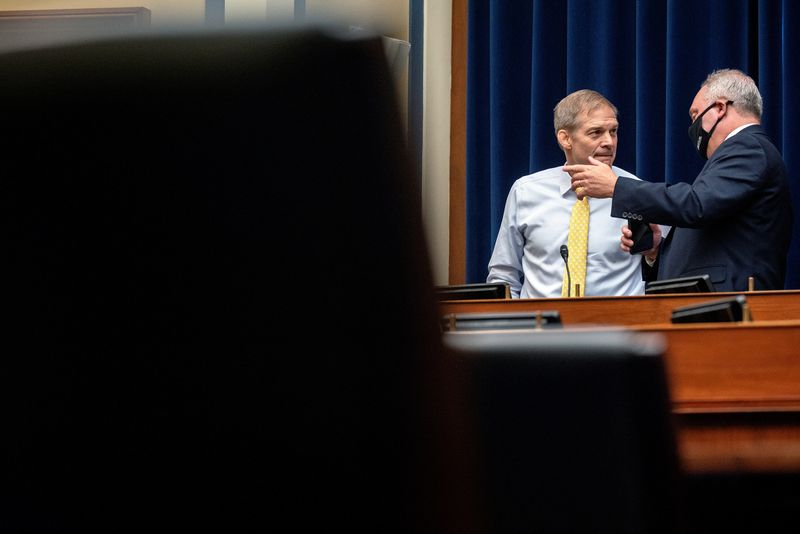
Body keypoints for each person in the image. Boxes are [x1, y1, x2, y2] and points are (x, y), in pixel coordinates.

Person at [565, 69, 793, 292]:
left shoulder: (748, 147)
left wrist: (616, 186)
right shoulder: (743, 150)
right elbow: (713, 226)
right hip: (714, 303)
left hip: (730, 305)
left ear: (720, 108)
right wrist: (657, 251)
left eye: (695, 115)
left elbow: (697, 205)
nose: (693, 127)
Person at [487, 89, 646, 298]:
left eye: (613, 131)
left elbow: (663, 267)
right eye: (596, 132)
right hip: (541, 327)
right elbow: (504, 275)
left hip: (616, 327)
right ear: (565, 139)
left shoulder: (638, 192)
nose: (609, 141)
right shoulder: (525, 192)